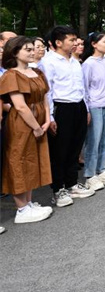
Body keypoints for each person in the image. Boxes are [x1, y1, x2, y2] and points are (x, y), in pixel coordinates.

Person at [0, 37, 54, 223]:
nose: (32, 52)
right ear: (14, 52)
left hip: (39, 120)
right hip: (22, 124)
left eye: (33, 49)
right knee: (19, 160)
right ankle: (21, 208)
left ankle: (29, 203)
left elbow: (44, 98)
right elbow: (20, 106)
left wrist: (46, 120)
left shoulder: (36, 72)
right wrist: (36, 127)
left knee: (32, 160)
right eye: (27, 49)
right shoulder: (11, 75)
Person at [40, 26, 95, 203]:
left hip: (78, 106)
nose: (75, 43)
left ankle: (72, 183)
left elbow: (82, 88)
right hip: (61, 107)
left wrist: (85, 109)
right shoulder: (48, 62)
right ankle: (58, 189)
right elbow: (47, 91)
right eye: (71, 40)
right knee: (60, 150)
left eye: (75, 40)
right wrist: (51, 117)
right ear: (58, 42)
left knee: (75, 146)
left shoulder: (74, 61)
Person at [80, 32, 105, 191]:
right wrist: (87, 109)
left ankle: (102, 169)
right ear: (94, 44)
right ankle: (90, 174)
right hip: (95, 105)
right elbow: (85, 88)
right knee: (94, 141)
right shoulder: (88, 64)